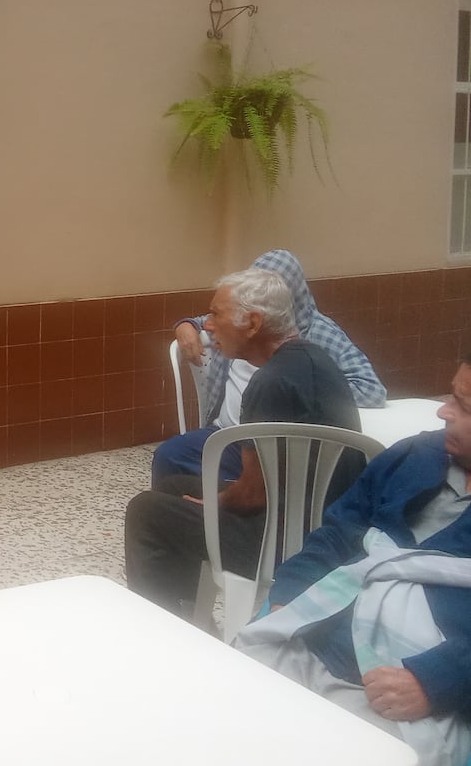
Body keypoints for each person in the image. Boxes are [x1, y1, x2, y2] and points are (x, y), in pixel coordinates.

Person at [234, 357, 471, 766]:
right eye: (452, 395)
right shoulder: (416, 455)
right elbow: (338, 532)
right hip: (315, 640)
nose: (443, 410)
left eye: (464, 406)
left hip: (400, 693)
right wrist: (289, 593)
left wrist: (438, 680)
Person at [124, 267, 362, 618]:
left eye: (217, 315)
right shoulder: (319, 360)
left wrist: (216, 501)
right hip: (327, 523)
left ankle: (160, 626)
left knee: (146, 510)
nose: (207, 325)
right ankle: (187, 612)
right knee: (175, 486)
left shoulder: (267, 384)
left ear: (252, 323)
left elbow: (253, 496)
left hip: (283, 543)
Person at [154, 248, 385, 487]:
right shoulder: (237, 323)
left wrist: (309, 392)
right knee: (170, 459)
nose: (211, 325)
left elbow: (371, 389)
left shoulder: (318, 337)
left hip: (282, 451)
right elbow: (218, 318)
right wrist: (186, 325)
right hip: (226, 433)